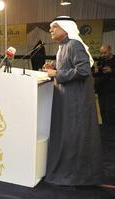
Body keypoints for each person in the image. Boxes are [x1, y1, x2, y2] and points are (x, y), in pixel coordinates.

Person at [43, 16, 102, 186]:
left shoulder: (74, 44)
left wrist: (58, 74)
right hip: (68, 98)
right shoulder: (64, 46)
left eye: (54, 27)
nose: (50, 30)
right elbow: (71, 67)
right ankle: (66, 173)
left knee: (74, 136)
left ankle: (76, 178)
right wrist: (54, 68)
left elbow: (83, 71)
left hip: (76, 101)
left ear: (65, 28)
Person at [94, 45, 115, 129]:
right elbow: (97, 73)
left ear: (110, 50)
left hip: (112, 90)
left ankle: (111, 131)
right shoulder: (101, 60)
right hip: (101, 89)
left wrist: (112, 70)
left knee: (110, 110)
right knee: (102, 110)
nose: (103, 55)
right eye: (102, 53)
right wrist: (96, 70)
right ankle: (105, 130)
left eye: (105, 53)